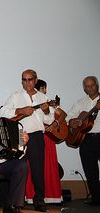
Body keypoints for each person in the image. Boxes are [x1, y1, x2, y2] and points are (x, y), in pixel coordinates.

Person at [0, 69, 55, 212]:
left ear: (36, 80)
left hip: (36, 136)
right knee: (17, 168)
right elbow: (2, 112)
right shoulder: (15, 96)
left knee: (38, 170)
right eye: (24, 79)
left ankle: (39, 200)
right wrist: (20, 110)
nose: (27, 82)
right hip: (18, 135)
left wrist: (47, 111)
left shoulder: (44, 98)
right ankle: (15, 202)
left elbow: (50, 120)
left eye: (30, 79)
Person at [25, 79, 65, 204]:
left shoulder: (46, 101)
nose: (45, 91)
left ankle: (50, 196)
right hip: (34, 137)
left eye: (45, 89)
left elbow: (62, 114)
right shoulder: (29, 101)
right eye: (43, 88)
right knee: (34, 168)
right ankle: (32, 197)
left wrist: (55, 123)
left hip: (47, 138)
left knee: (48, 166)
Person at [66, 76, 100, 206]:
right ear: (84, 89)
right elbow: (69, 116)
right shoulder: (80, 103)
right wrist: (72, 122)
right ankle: (97, 198)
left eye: (92, 85)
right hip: (85, 140)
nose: (90, 88)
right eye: (87, 86)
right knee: (90, 171)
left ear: (97, 85)